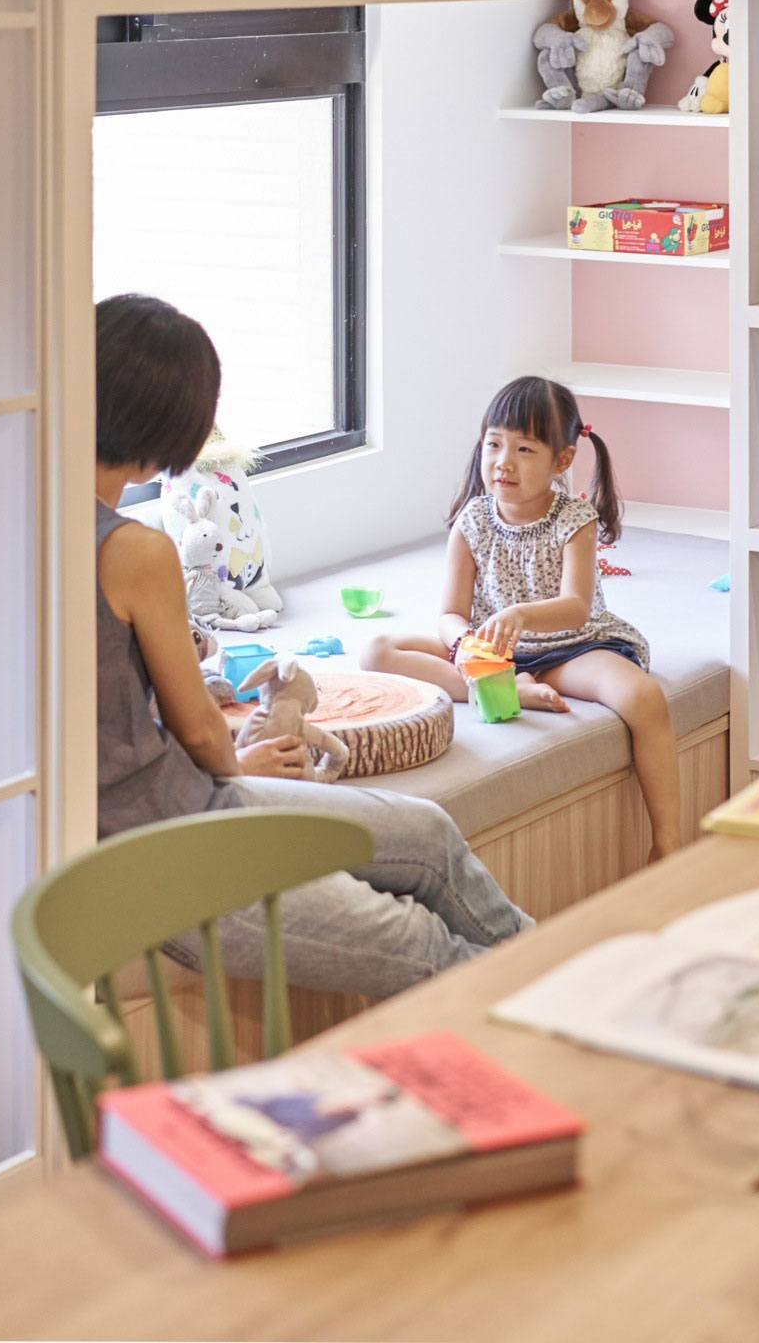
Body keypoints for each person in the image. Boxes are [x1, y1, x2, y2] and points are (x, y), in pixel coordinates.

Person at [94, 293, 530, 1000]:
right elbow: (198, 724)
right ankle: (549, 1020)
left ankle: (551, 984)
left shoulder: (41, 515)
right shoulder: (133, 550)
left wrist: (228, 766)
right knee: (422, 944)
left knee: (427, 834)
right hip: (159, 852)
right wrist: (235, 763)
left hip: (180, 802)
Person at [361, 376, 681, 860]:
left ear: (562, 460)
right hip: (495, 654)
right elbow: (450, 612)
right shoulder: (472, 521)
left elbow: (576, 605)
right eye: (494, 445)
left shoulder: (575, 520)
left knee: (644, 696)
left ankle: (669, 841)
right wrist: (464, 644)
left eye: (524, 449)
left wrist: (520, 615)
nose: (503, 462)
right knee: (375, 651)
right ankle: (509, 690)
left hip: (574, 647)